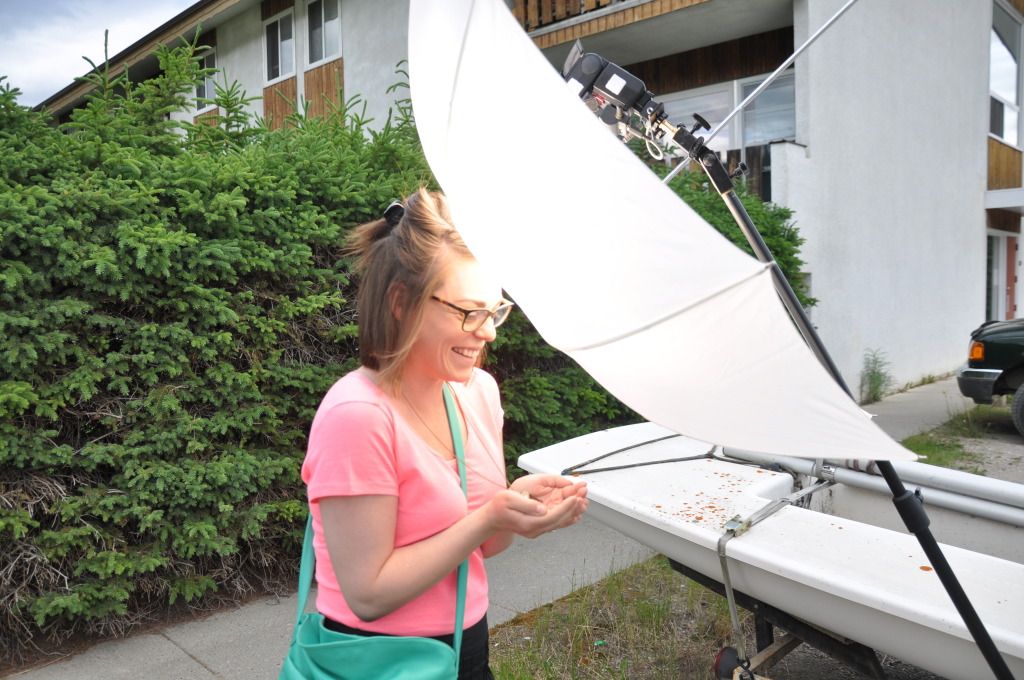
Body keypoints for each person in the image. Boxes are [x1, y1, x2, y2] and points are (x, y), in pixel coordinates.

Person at [301, 188, 588, 679]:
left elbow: (487, 547)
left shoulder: (477, 393)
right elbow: (368, 595)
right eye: (468, 312)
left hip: (466, 642)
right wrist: (488, 518)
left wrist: (516, 507)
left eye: (494, 311)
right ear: (401, 302)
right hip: (374, 659)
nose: (489, 332)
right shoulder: (358, 415)